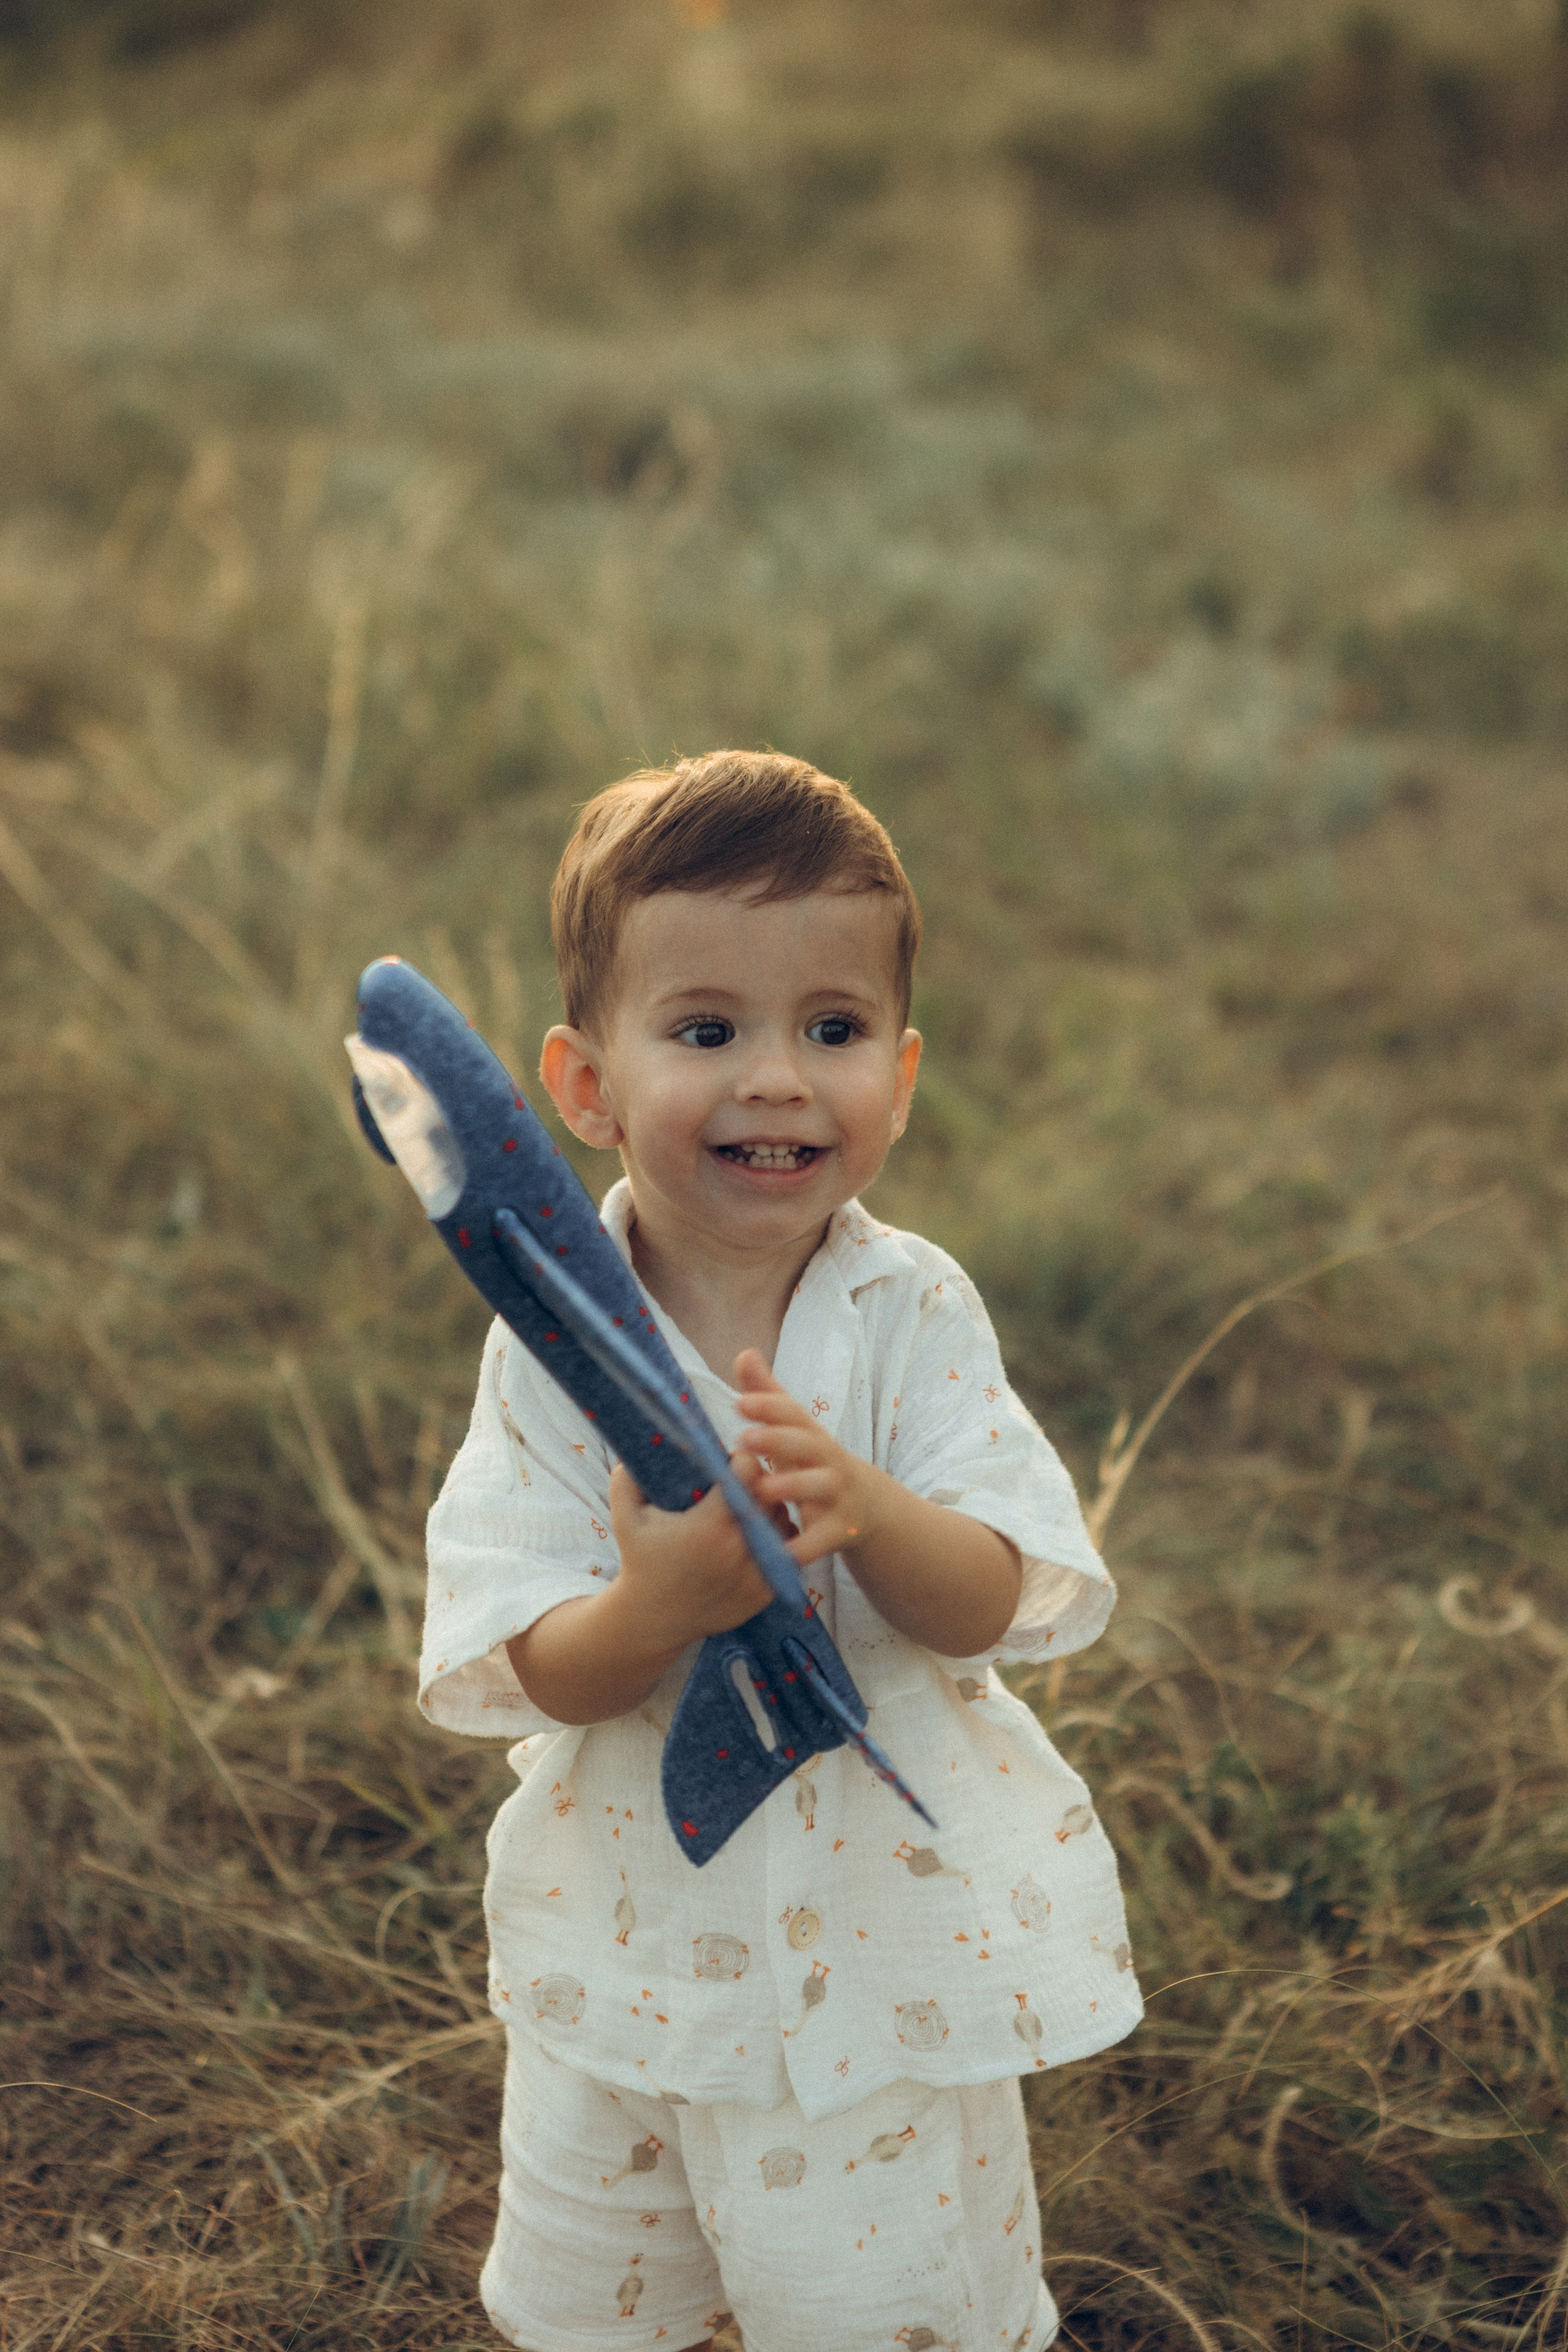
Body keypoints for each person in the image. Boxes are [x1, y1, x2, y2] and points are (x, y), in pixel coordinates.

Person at [420, 750, 1141, 2352]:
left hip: (879, 1964)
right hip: (628, 1944)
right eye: (705, 1031)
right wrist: (662, 1603)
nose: (776, 1078)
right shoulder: (549, 1342)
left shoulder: (912, 1311)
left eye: (834, 1029)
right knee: (601, 2307)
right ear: (586, 1084)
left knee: (879, 2311)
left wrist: (873, 1515)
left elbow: (993, 1604)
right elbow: (531, 1655)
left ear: (902, 1070)